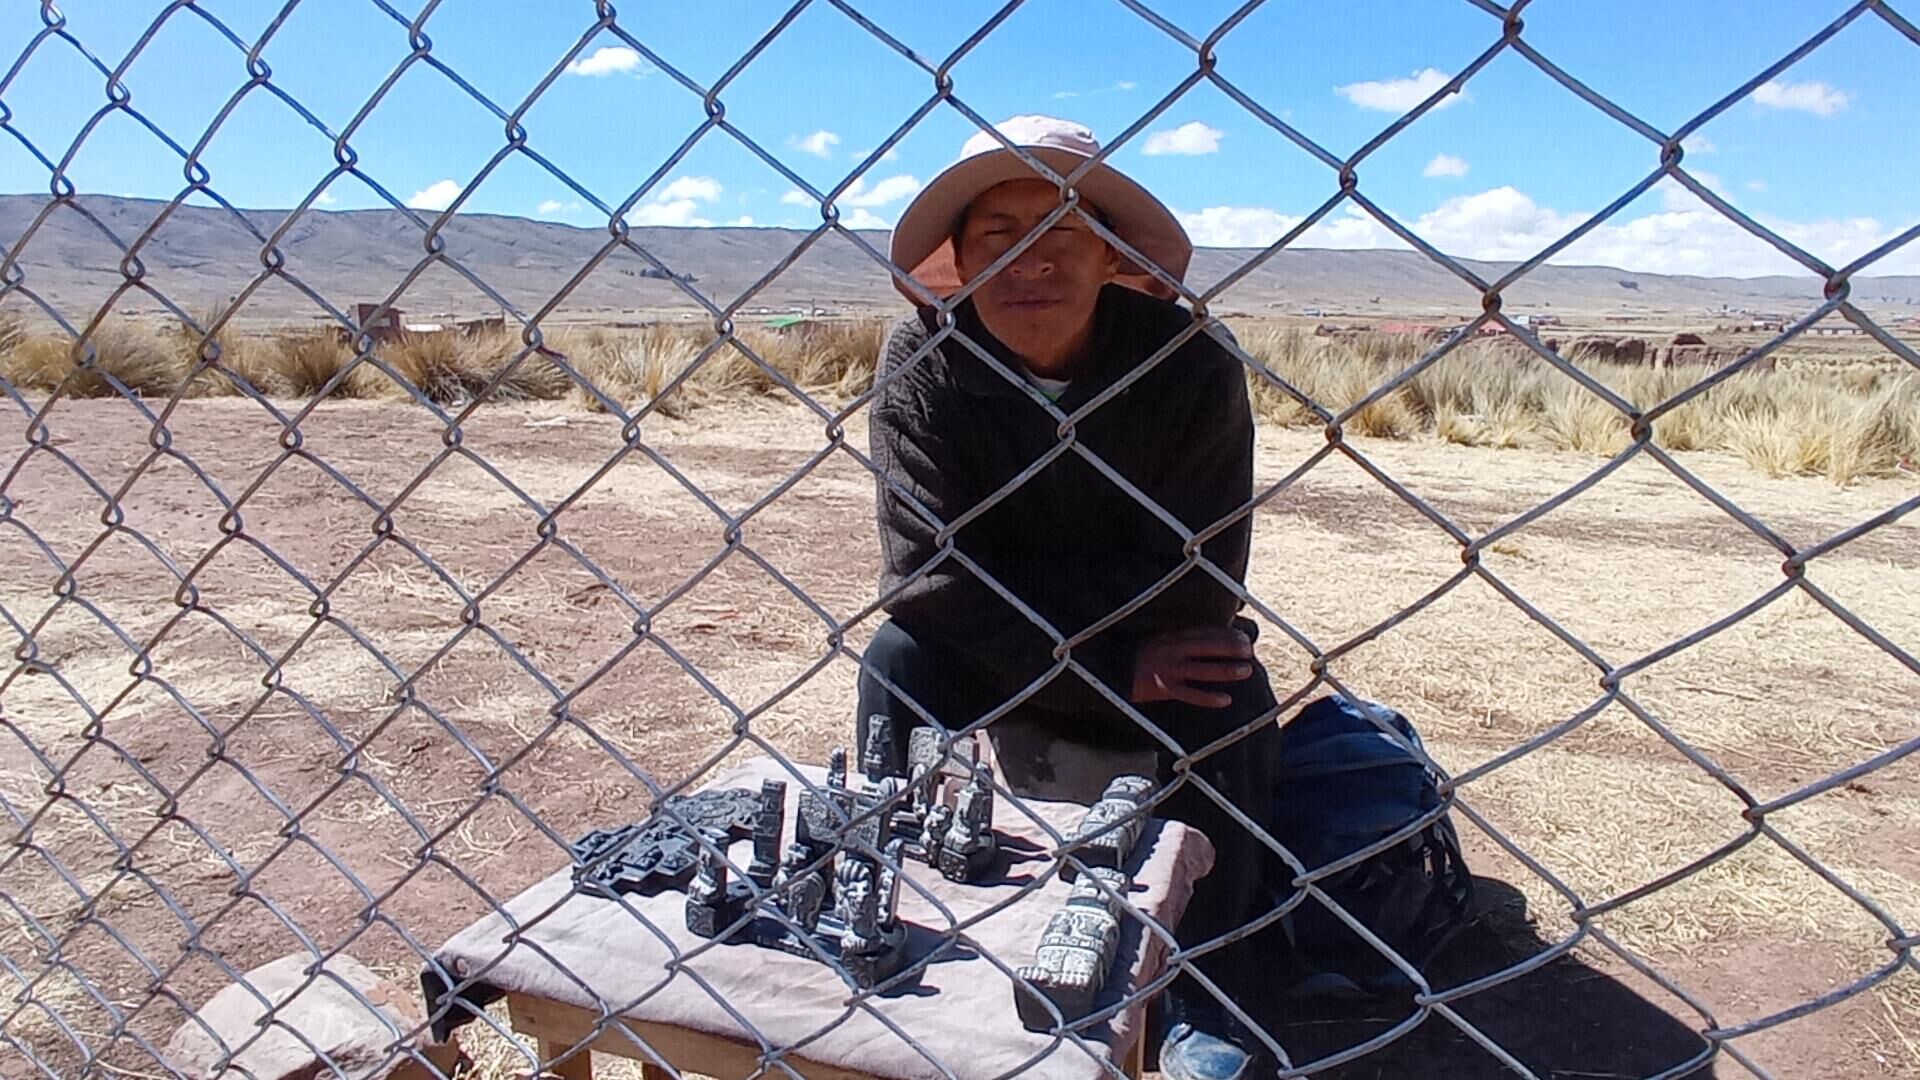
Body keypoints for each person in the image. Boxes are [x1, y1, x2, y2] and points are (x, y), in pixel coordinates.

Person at [860, 115, 1285, 1080]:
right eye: (995, 236)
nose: (1029, 263)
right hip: (1037, 644)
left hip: (1132, 638)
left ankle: (1213, 983)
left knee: (1231, 686)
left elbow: (1204, 572)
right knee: (896, 659)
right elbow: (924, 576)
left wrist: (1028, 596)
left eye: (1059, 230)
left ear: (1110, 254)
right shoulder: (922, 362)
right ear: (960, 262)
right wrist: (1105, 656)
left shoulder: (1189, 363)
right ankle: (873, 902)